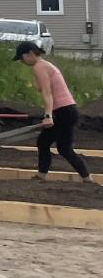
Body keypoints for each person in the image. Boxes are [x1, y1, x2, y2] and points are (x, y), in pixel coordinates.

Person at [16, 41, 95, 184]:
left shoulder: (39, 67)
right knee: (45, 142)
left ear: (30, 53)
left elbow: (48, 93)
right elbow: (47, 90)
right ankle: (42, 175)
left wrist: (48, 116)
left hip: (64, 111)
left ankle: (87, 178)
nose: (21, 62)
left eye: (21, 58)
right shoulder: (45, 65)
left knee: (63, 148)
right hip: (66, 110)